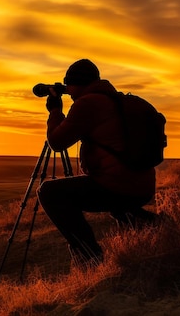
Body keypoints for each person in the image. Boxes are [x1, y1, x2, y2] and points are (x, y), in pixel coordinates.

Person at [37, 59, 156, 268]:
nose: (69, 93)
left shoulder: (88, 103)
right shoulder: (115, 101)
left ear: (77, 83)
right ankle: (153, 225)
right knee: (116, 201)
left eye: (69, 86)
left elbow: (57, 142)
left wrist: (55, 111)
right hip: (142, 185)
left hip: (119, 186)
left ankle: (89, 256)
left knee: (49, 192)